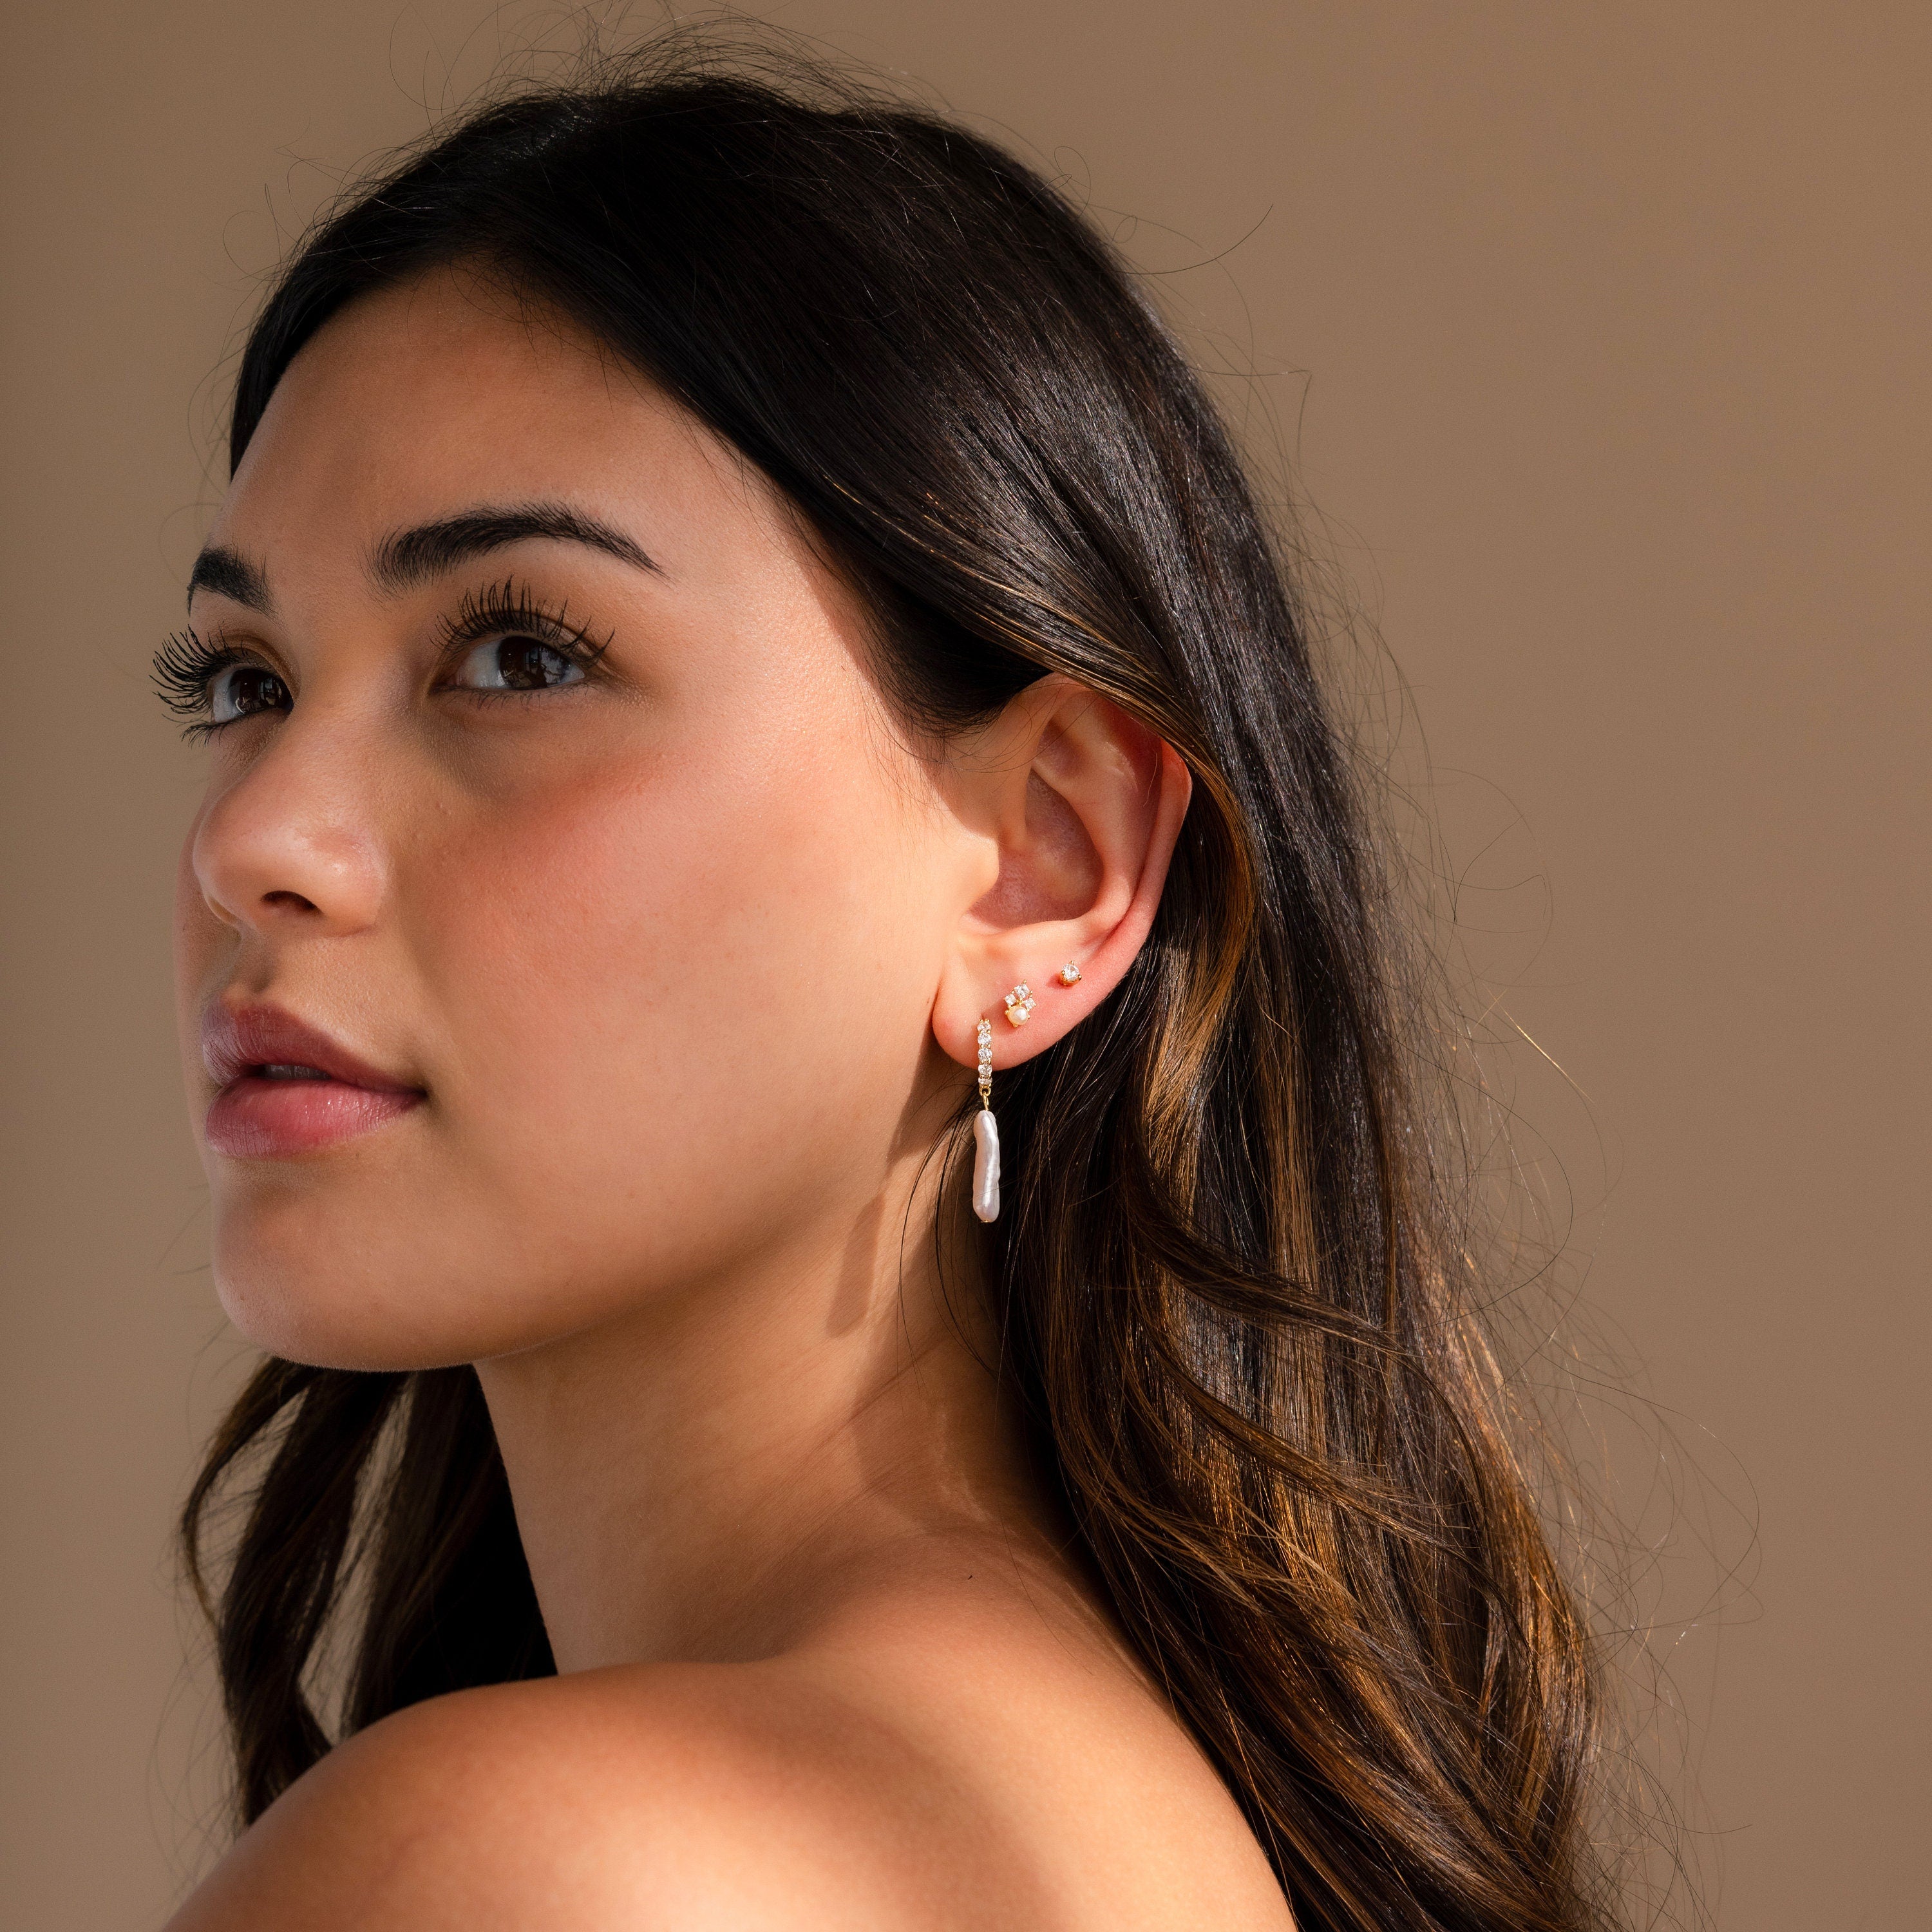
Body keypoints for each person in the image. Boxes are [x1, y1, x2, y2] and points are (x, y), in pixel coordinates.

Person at [161, 39, 1613, 1932]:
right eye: (245, 684)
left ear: (1044, 865)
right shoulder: (1143, 1827)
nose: (256, 837)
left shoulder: (535, 1868)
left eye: (521, 657)